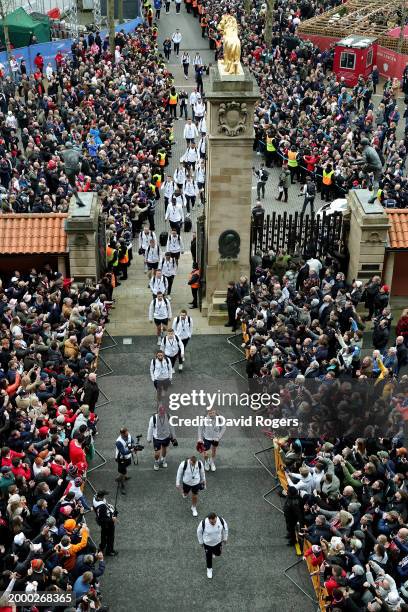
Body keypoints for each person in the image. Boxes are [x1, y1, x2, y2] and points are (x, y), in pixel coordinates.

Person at [197, 512, 228, 579]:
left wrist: (225, 538)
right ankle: (209, 569)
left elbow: (225, 529)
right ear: (208, 519)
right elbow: (199, 532)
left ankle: (213, 552)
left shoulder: (221, 520)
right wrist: (201, 542)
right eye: (212, 522)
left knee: (218, 553)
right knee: (208, 557)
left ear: (216, 518)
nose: (213, 523)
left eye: (214, 521)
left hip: (218, 542)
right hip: (207, 544)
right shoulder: (203, 523)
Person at [147, 403, 177, 470]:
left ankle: (163, 459)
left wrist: (174, 437)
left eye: (163, 411)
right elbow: (150, 428)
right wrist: (149, 438)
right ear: (158, 411)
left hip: (166, 437)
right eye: (161, 411)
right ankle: (156, 461)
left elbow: (172, 427)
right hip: (157, 438)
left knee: (164, 449)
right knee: (157, 453)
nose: (162, 413)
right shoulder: (153, 418)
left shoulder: (169, 417)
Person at [92, 490, 118, 556]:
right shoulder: (102, 506)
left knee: (103, 534)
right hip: (107, 523)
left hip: (103, 523)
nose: (104, 497)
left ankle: (102, 546)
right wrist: (111, 519)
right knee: (110, 537)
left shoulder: (95, 498)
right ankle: (109, 551)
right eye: (104, 496)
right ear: (101, 497)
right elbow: (103, 518)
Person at [115, 428, 136, 494]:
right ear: (122, 434)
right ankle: (122, 486)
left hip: (127, 457)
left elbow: (132, 441)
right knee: (123, 471)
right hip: (121, 458)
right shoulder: (118, 442)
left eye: (127, 433)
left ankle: (122, 476)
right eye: (125, 434)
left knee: (126, 466)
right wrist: (132, 450)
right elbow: (123, 452)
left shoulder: (128, 435)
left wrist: (134, 446)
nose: (127, 435)